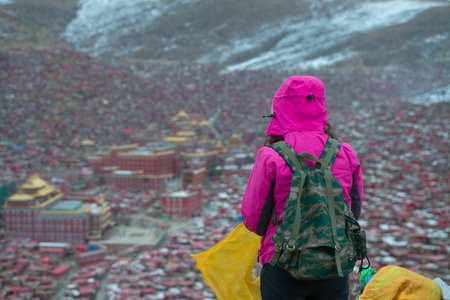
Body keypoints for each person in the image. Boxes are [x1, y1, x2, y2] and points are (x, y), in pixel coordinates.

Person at [241, 76, 364, 300]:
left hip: (283, 269)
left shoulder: (271, 156)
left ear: (280, 111)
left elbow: (254, 221)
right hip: (333, 268)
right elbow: (352, 214)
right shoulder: (345, 153)